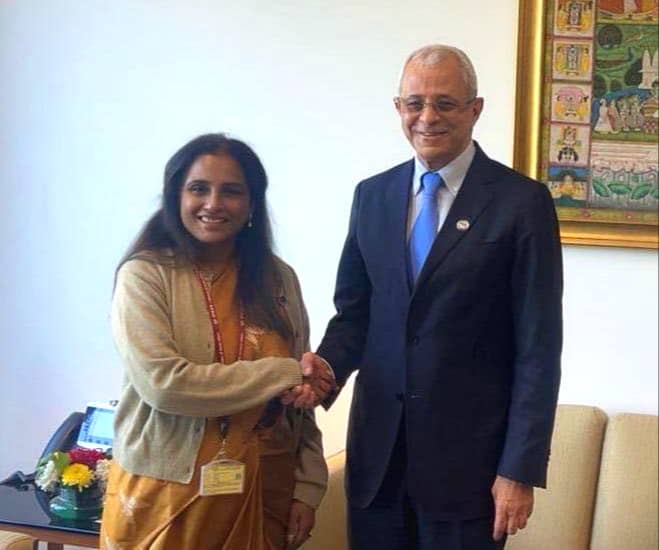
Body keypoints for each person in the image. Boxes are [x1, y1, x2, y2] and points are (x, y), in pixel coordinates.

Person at [310, 45, 563, 549]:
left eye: (445, 103)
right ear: (398, 108)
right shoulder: (372, 196)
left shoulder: (521, 203)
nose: (428, 117)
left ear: (476, 109)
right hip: (378, 462)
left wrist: (519, 469)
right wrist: (323, 371)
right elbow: (355, 315)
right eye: (414, 103)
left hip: (470, 472)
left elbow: (538, 348)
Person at [101, 133, 333, 549]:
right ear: (175, 196)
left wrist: (307, 486)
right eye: (198, 189)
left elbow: (301, 399)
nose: (213, 203)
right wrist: (282, 372)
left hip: (265, 487)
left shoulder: (279, 279)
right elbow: (164, 385)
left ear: (252, 203)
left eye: (231, 191)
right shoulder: (146, 275)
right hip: (167, 495)